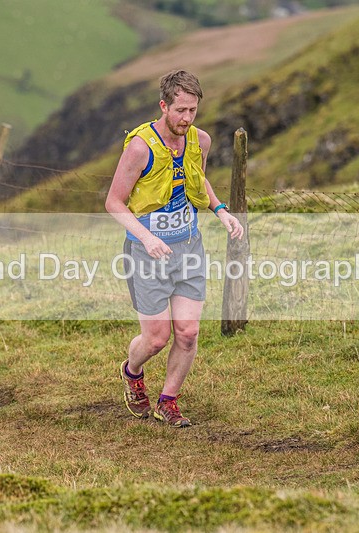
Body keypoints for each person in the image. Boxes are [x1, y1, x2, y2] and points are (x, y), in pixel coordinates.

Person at [105, 70, 244, 428]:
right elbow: (114, 203)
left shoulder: (201, 141)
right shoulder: (140, 147)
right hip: (146, 253)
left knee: (187, 332)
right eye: (180, 110)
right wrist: (147, 237)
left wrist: (220, 210)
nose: (186, 119)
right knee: (155, 338)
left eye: (192, 111)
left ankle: (169, 401)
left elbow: (198, 178)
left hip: (189, 248)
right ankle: (132, 372)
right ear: (163, 106)